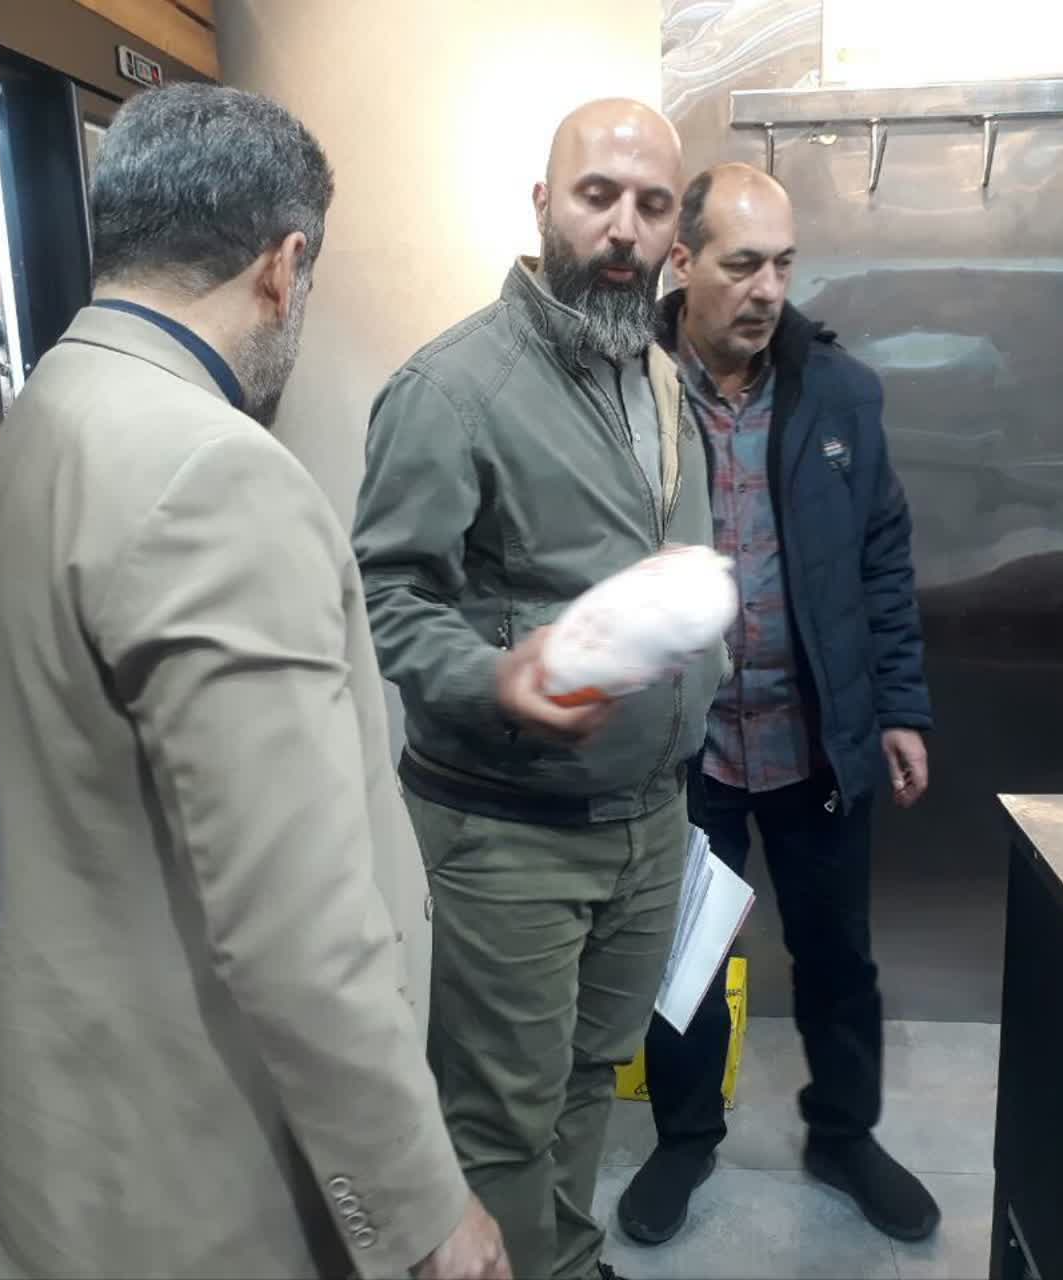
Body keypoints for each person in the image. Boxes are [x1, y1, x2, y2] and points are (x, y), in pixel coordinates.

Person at [0, 84, 506, 1280]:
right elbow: (294, 917)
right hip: (213, 1180)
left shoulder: (33, 425)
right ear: (283, 264)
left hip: (74, 1155)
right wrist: (422, 1206)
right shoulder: (213, 470)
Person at [351, 98, 727, 1280]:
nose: (622, 227)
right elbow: (385, 595)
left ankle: (561, 1255)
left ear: (673, 236)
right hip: (507, 830)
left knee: (588, 1076)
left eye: (650, 205)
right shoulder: (451, 386)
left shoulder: (660, 379)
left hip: (648, 820)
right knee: (501, 1114)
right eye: (596, 195)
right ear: (543, 205)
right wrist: (494, 679)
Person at [615, 163, 938, 1248]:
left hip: (815, 738)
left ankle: (844, 1135)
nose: (767, 290)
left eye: (784, 265)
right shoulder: (622, 384)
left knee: (838, 954)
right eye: (743, 264)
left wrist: (901, 707)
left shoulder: (840, 393)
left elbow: (882, 558)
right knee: (686, 955)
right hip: (684, 743)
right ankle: (684, 1137)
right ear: (682, 261)